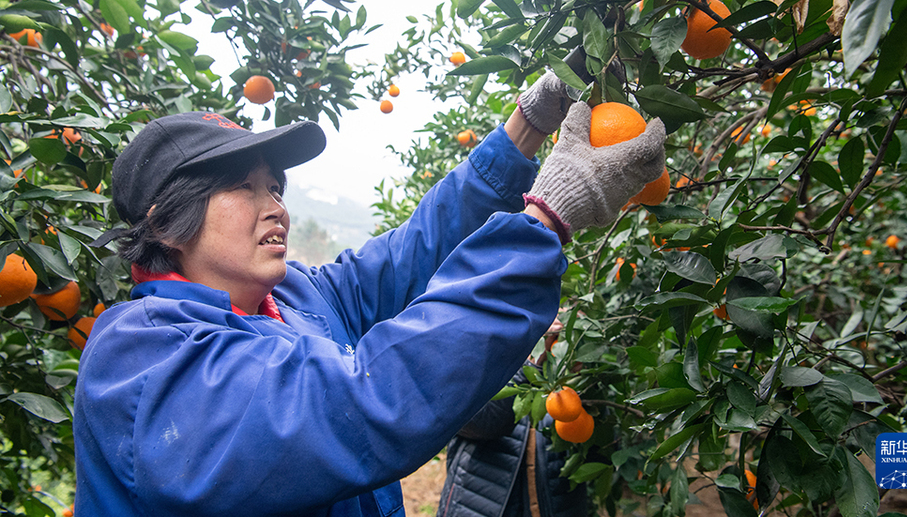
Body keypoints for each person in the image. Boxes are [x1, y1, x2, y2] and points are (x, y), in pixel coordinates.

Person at [73, 69, 665, 516]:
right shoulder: (142, 361)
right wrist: (547, 216)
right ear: (165, 220)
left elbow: (409, 255)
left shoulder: (294, 299)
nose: (275, 205)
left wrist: (525, 129)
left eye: (274, 186)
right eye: (242, 187)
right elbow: (366, 405)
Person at [438, 319, 589, 517]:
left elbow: (592, 446)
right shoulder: (477, 338)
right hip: (477, 501)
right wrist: (529, 364)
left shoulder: (565, 363)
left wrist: (582, 371)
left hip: (556, 504)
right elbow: (482, 423)